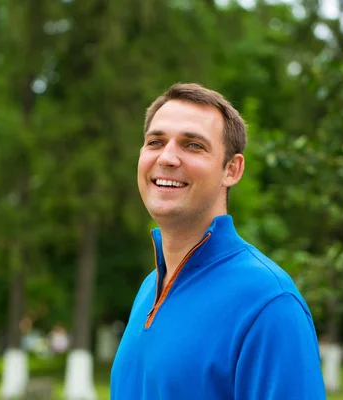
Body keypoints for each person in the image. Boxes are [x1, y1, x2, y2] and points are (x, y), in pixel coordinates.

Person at [110, 83, 326, 399]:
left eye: (193, 145)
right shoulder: (149, 289)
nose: (168, 157)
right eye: (155, 141)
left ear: (232, 170)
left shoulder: (268, 302)